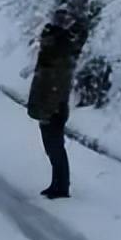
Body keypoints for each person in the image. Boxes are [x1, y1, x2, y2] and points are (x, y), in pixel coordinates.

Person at [27, 12, 80, 199]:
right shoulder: (54, 51)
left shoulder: (58, 52)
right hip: (50, 105)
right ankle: (57, 183)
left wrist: (48, 108)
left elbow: (56, 83)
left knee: (55, 147)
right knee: (52, 147)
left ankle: (61, 186)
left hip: (53, 107)